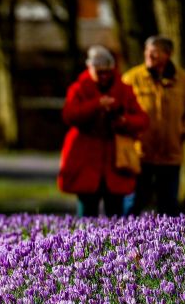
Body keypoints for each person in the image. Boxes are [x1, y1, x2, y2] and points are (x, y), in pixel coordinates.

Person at [58, 45, 149, 217]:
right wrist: (96, 105)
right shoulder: (78, 89)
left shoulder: (124, 90)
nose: (104, 76)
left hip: (116, 158)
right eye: (99, 72)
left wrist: (124, 121)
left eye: (108, 72)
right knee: (86, 212)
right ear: (90, 69)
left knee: (115, 213)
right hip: (85, 156)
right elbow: (69, 115)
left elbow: (142, 120)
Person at [122, 35, 185, 216]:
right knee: (133, 203)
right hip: (139, 153)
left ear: (168, 54)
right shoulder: (131, 78)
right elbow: (120, 109)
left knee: (168, 205)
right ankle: (122, 240)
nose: (149, 55)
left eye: (155, 51)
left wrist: (184, 130)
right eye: (147, 51)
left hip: (170, 154)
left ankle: (168, 242)